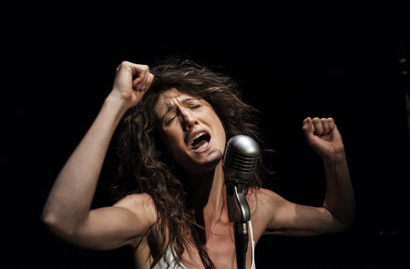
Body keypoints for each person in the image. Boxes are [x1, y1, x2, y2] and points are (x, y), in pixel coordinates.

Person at [42, 58, 355, 269]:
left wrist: (335, 158)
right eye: (171, 118)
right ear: (162, 149)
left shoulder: (256, 207)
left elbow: (338, 218)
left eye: (194, 106)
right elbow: (62, 220)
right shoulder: (149, 214)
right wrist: (117, 102)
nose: (188, 118)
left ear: (219, 119)